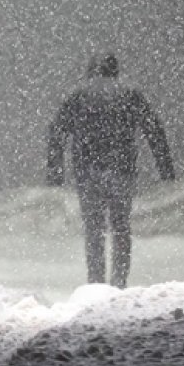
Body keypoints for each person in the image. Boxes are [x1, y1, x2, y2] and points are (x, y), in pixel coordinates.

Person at [46, 52, 174, 288]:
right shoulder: (130, 94)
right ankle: (118, 282)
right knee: (120, 227)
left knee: (94, 230)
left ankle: (95, 283)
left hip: (87, 171)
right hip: (121, 169)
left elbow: (57, 132)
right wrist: (165, 168)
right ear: (115, 70)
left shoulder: (78, 95)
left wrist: (55, 171)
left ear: (90, 70)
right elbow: (153, 129)